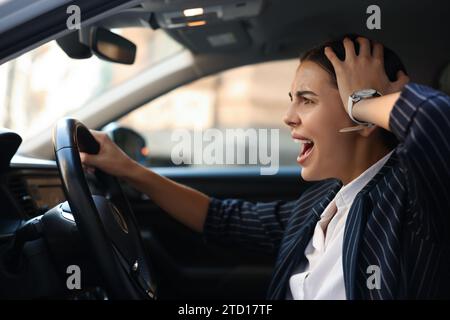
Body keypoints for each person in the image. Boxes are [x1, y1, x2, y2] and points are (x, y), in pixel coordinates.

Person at [80, 35, 450, 299]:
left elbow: (435, 118)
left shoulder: (411, 196)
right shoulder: (323, 200)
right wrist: (127, 169)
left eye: (306, 100)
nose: (288, 117)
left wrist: (364, 104)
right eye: (293, 100)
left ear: (364, 117)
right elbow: (224, 220)